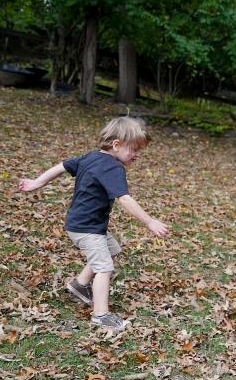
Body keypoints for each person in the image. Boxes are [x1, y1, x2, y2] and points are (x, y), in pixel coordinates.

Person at [18, 116, 169, 334]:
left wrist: (37, 182)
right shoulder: (113, 168)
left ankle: (80, 284)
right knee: (104, 268)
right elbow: (124, 199)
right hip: (87, 227)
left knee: (111, 249)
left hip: (83, 223)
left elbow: (61, 166)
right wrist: (150, 221)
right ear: (116, 145)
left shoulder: (91, 157)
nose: (137, 155)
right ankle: (101, 315)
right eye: (134, 150)